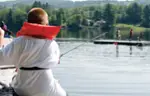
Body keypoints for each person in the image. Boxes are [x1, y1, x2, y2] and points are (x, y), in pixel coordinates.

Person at [0, 8, 67, 96]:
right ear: (46, 25)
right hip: (46, 89)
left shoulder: (19, 41)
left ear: (28, 22)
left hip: (22, 90)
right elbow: (55, 61)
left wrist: (1, 36)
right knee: (64, 94)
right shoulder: (53, 44)